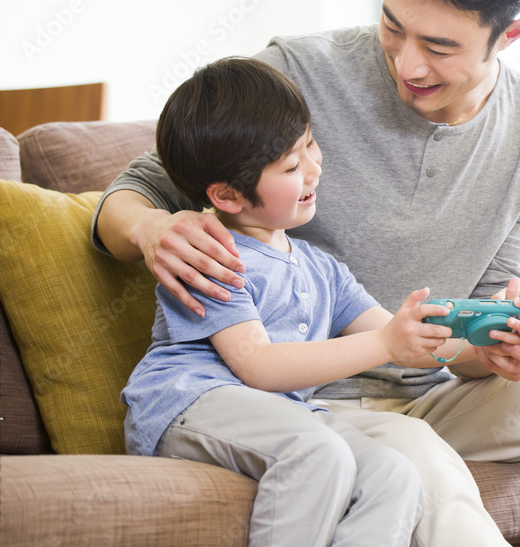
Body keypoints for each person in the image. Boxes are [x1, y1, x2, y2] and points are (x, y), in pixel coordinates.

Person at [96, 0, 520, 546]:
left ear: (508, 34)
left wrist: (497, 342)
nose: (406, 64)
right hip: (314, 398)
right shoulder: (296, 75)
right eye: (392, 25)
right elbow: (138, 186)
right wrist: (148, 228)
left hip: (437, 387)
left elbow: (470, 345)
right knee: (416, 462)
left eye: (438, 45)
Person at [121, 56, 474, 546]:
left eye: (309, 143)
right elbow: (258, 366)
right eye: (291, 165)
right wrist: (389, 343)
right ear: (226, 195)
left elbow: (391, 330)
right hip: (192, 400)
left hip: (287, 415)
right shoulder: (210, 253)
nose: (314, 167)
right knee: (318, 454)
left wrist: (480, 327)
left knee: (395, 474)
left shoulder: (321, 267)